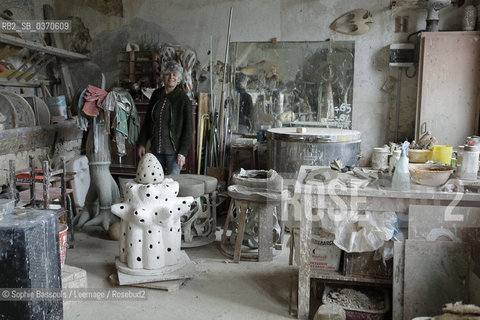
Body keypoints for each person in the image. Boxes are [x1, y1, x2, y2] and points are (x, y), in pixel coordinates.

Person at [136, 61, 193, 175]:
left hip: (174, 154)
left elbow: (188, 129)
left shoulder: (183, 99)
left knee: (172, 186)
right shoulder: (156, 95)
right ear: (163, 76)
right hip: (155, 151)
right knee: (155, 185)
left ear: (179, 78)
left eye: (174, 74)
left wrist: (182, 152)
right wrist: (141, 143)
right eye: (168, 74)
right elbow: (147, 122)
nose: (171, 77)